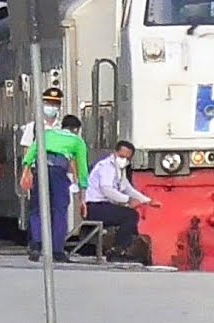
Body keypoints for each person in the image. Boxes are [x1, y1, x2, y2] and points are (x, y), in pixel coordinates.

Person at [20, 114, 90, 263]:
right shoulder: (77, 141)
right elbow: (82, 169)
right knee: (60, 209)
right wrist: (82, 197)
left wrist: (26, 173)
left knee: (37, 208)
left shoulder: (47, 134)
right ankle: (57, 250)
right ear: (76, 129)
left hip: (41, 169)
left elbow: (31, 153)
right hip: (58, 171)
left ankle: (37, 245)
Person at [84, 140, 160, 262]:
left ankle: (129, 248)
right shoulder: (106, 167)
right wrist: (128, 200)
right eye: (121, 156)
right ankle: (119, 250)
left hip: (104, 205)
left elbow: (127, 188)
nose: (123, 160)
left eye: (127, 158)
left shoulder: (119, 169)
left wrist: (147, 201)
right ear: (115, 153)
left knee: (129, 216)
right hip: (95, 206)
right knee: (129, 215)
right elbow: (106, 189)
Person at [19, 86, 64, 152]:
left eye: (55, 104)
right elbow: (27, 151)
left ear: (59, 107)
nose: (51, 107)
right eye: (48, 103)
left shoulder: (62, 127)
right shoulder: (32, 127)